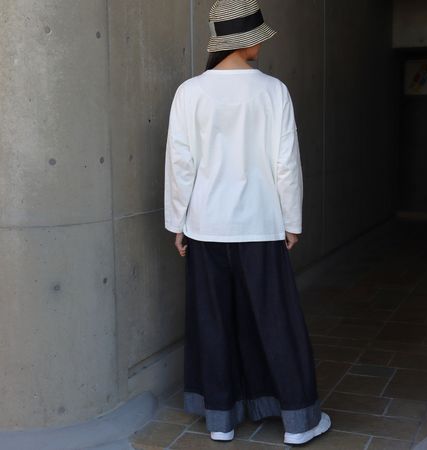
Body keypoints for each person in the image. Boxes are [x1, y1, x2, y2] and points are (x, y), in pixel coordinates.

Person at [164, 0, 331, 445]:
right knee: (276, 322)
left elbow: (181, 164)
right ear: (247, 41)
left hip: (205, 226)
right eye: (258, 37)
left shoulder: (190, 92)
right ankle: (299, 423)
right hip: (260, 225)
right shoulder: (273, 91)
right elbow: (285, 163)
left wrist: (177, 222)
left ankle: (221, 421)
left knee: (213, 322)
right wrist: (292, 221)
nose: (261, 44)